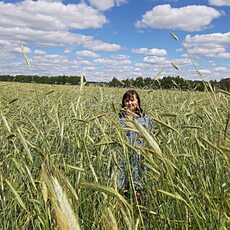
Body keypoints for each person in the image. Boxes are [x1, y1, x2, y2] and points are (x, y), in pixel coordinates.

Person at [116, 90, 153, 200]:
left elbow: (151, 137)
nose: (129, 103)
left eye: (132, 100)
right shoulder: (118, 119)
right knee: (121, 191)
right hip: (122, 158)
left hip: (139, 159)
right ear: (123, 102)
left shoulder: (145, 119)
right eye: (127, 100)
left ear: (138, 101)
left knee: (138, 191)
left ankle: (138, 213)